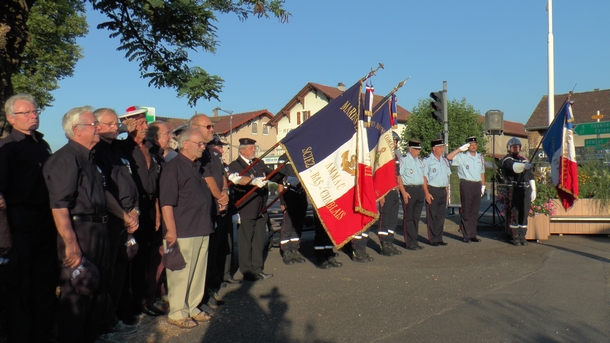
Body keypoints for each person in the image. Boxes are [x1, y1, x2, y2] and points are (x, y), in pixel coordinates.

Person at [43, 106, 111, 342]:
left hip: (98, 229)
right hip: (79, 230)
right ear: (76, 130)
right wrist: (71, 243)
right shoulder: (65, 159)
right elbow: (59, 205)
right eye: (93, 124)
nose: (98, 128)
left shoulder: (89, 158)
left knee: (96, 289)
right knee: (77, 292)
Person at [0, 94, 58, 343]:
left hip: (46, 220)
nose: (33, 115)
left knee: (45, 281)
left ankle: (43, 333)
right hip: (20, 221)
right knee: (22, 284)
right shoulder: (6, 147)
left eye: (35, 111)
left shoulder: (42, 144)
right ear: (11, 118)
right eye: (26, 112)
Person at [93, 108, 141, 337]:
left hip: (130, 217)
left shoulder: (118, 149)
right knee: (109, 275)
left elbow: (131, 184)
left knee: (123, 271)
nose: (116, 127)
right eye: (110, 124)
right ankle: (106, 322)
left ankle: (118, 315)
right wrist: (124, 215)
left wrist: (135, 211)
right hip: (112, 220)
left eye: (116, 124)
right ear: (97, 125)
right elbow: (104, 190)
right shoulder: (97, 151)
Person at [159, 128, 214, 329]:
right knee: (181, 273)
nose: (203, 147)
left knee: (198, 273)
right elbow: (166, 202)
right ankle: (177, 312)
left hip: (201, 227)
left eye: (203, 144)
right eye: (199, 144)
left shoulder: (196, 166)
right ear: (185, 144)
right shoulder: (173, 168)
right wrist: (171, 231)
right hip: (183, 229)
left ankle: (193, 307)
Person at [114, 107, 163, 320]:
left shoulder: (151, 149)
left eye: (145, 122)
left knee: (145, 257)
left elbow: (158, 184)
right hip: (131, 208)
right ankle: (126, 306)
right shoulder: (121, 148)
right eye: (140, 123)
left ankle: (143, 300)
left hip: (150, 207)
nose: (145, 127)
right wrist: (124, 128)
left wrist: (158, 212)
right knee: (129, 258)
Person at [189, 114, 230, 311]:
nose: (212, 129)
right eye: (208, 126)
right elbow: (206, 178)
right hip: (205, 211)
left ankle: (211, 288)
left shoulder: (212, 153)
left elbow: (221, 175)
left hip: (218, 209)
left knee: (215, 253)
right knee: (203, 257)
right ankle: (201, 296)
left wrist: (225, 193)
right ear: (194, 127)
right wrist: (219, 196)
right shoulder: (198, 153)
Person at [228, 138, 284, 281]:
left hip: (261, 208)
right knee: (246, 241)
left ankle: (257, 268)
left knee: (259, 240)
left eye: (254, 147)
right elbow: (238, 181)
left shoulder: (258, 163)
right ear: (242, 150)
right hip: (246, 208)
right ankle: (247, 270)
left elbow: (271, 174)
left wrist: (285, 178)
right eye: (251, 148)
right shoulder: (235, 165)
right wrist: (251, 182)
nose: (254, 150)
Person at [446, 136, 486, 243]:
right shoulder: (461, 157)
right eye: (471, 145)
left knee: (475, 211)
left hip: (477, 184)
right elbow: (449, 157)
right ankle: (466, 234)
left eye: (474, 145)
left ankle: (473, 234)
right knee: (466, 210)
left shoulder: (480, 157)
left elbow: (482, 172)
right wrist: (459, 149)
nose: (473, 147)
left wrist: (483, 185)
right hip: (466, 184)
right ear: (467, 146)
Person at [502, 137, 535, 246]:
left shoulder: (524, 159)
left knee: (524, 213)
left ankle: (522, 235)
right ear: (509, 148)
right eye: (513, 147)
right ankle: (515, 236)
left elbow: (530, 175)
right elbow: (513, 167)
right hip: (514, 188)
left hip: (525, 189)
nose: (516, 148)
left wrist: (533, 189)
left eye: (518, 146)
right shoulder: (507, 159)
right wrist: (523, 166)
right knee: (515, 213)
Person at [375, 131, 403, 256]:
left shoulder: (395, 157)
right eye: (394, 141)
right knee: (385, 219)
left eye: (396, 142)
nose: (396, 144)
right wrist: (380, 195)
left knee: (393, 218)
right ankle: (384, 244)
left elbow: (397, 175)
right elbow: (379, 177)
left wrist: (400, 189)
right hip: (385, 192)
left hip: (393, 191)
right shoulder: (382, 156)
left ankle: (390, 242)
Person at [277, 153, 307, 265]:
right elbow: (280, 180)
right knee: (287, 226)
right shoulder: (283, 158)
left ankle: (294, 250)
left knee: (298, 226)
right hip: (289, 195)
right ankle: (286, 251)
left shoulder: (303, 156)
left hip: (301, 194)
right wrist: (282, 200)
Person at [397, 140, 425, 250]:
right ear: (410, 149)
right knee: (409, 217)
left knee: (416, 217)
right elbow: (399, 177)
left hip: (418, 189)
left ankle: (415, 240)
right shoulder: (404, 160)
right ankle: (409, 242)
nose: (418, 151)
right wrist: (403, 192)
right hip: (409, 189)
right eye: (416, 149)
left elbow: (423, 177)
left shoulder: (419, 161)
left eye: (419, 149)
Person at [423, 138, 452, 246]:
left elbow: (447, 177)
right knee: (432, 215)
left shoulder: (444, 160)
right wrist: (426, 193)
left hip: (442, 190)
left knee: (440, 216)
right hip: (433, 189)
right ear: (434, 148)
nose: (442, 149)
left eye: (443, 147)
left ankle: (439, 237)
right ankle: (433, 238)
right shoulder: (427, 160)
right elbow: (424, 178)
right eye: (440, 147)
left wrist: (447, 192)